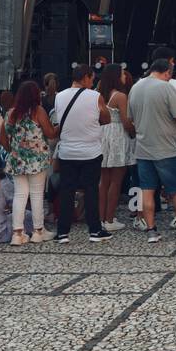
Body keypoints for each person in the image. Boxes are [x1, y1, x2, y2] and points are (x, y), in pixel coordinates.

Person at [131, 58, 176, 242]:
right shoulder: (166, 88)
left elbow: (130, 117)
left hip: (143, 147)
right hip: (166, 147)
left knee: (147, 189)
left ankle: (151, 229)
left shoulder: (136, 88)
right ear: (167, 72)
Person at [51, 64, 112, 243]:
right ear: (86, 77)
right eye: (92, 78)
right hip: (90, 151)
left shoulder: (59, 96)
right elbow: (106, 118)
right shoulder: (95, 96)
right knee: (91, 190)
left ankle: (62, 232)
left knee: (66, 191)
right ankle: (94, 230)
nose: (93, 82)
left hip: (67, 151)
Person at [0, 79, 55, 245]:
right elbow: (50, 133)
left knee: (20, 195)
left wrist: (14, 151)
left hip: (17, 160)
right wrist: (58, 128)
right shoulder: (38, 111)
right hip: (37, 159)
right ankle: (38, 231)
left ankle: (18, 233)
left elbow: (2, 139)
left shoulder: (10, 113)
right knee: (37, 195)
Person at [97, 64, 135, 232]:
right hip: (117, 134)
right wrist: (134, 132)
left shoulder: (99, 94)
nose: (124, 77)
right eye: (122, 74)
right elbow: (126, 121)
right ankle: (110, 219)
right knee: (116, 180)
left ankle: (101, 218)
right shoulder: (120, 96)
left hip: (103, 133)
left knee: (103, 180)